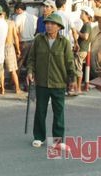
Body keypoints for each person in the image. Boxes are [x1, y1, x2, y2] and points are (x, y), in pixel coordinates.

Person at [27, 13, 75, 149]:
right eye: (47, 23)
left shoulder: (64, 42)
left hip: (59, 82)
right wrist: (30, 72)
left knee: (59, 113)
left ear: (59, 27)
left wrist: (72, 79)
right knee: (40, 111)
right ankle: (39, 137)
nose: (49, 25)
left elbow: (69, 62)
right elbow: (31, 59)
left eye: (52, 24)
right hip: (41, 82)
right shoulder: (38, 40)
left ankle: (58, 141)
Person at [72, 7, 94, 95]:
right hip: (82, 49)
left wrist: (77, 32)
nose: (81, 14)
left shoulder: (87, 25)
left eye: (83, 13)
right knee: (77, 68)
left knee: (78, 69)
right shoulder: (86, 25)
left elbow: (85, 36)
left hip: (82, 50)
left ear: (87, 15)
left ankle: (78, 88)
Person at [14, 2, 38, 84]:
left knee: (18, 64)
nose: (16, 12)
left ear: (19, 9)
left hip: (23, 43)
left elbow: (16, 30)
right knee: (30, 64)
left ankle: (14, 83)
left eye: (16, 10)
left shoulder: (19, 17)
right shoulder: (33, 17)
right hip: (32, 41)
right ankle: (29, 84)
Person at [2, 11, 21, 95]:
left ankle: (2, 89)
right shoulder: (11, 23)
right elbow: (16, 37)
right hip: (9, 47)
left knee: (1, 70)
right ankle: (17, 88)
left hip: (0, 47)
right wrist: (18, 49)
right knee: (13, 70)